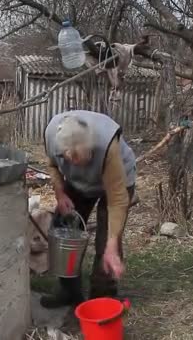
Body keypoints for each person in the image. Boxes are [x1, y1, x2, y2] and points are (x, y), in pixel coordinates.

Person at [41, 109, 137, 308]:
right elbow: (51, 165)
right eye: (75, 161)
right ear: (64, 153)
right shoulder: (52, 136)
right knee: (63, 230)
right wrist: (60, 193)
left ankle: (102, 300)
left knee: (107, 242)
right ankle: (69, 292)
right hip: (78, 185)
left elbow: (117, 199)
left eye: (87, 158)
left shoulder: (107, 145)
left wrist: (112, 244)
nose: (82, 165)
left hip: (117, 182)